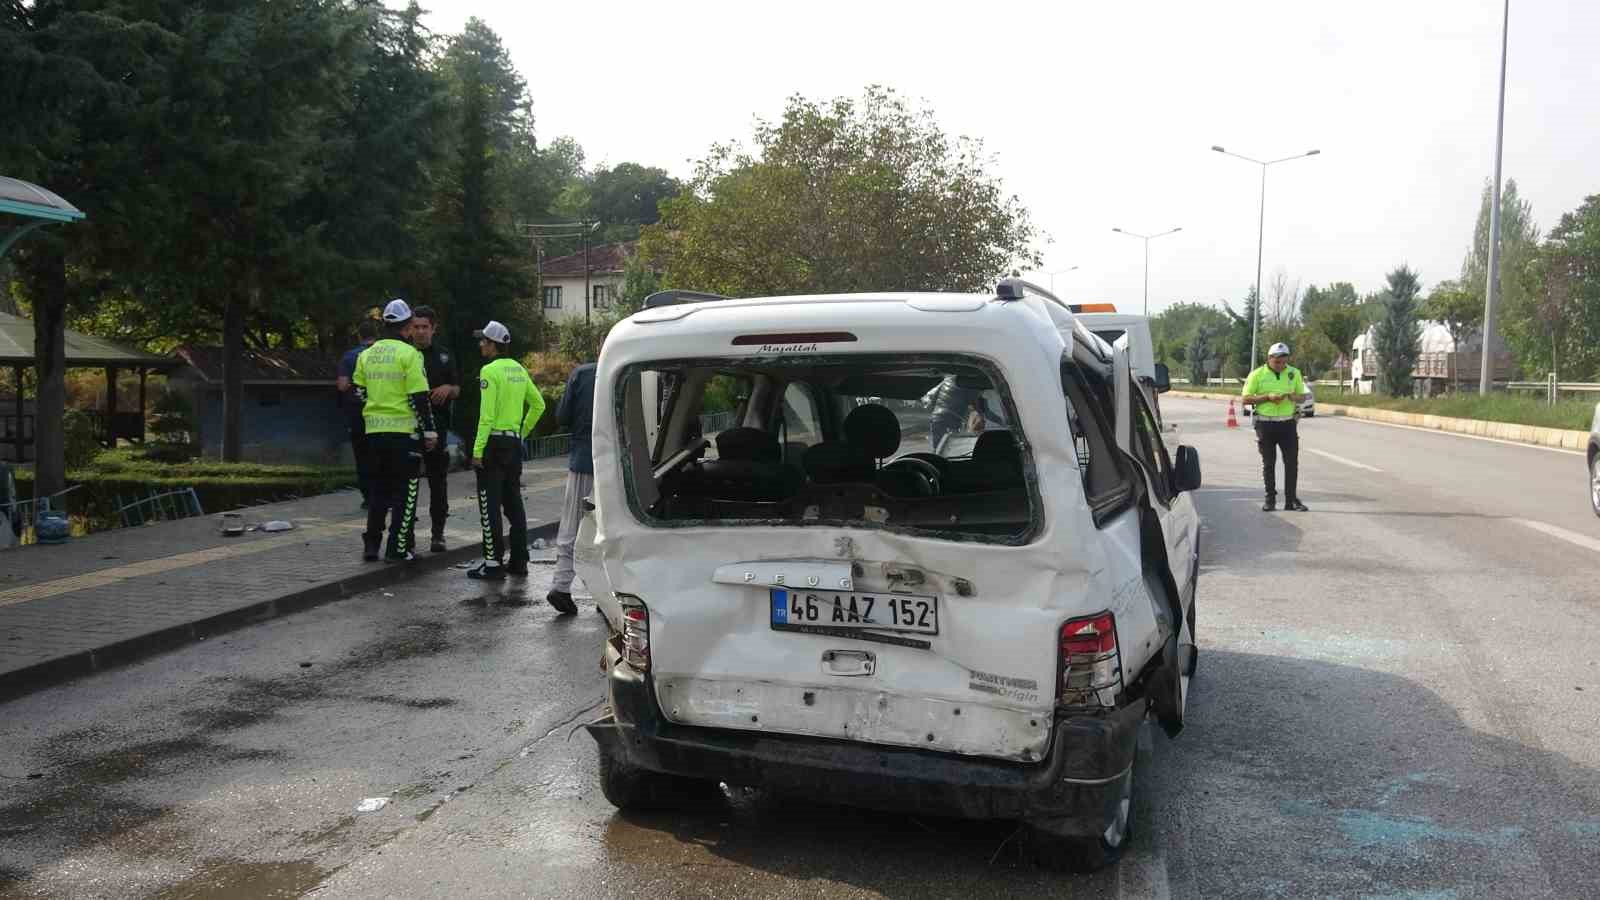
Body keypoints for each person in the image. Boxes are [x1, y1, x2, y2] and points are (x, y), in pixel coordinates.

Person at [353, 299, 437, 561]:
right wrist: (430, 432)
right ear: (407, 327)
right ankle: (397, 549)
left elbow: (359, 392)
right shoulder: (410, 355)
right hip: (403, 434)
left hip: (374, 433)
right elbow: (419, 398)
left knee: (378, 490)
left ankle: (371, 545)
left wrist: (375, 410)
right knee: (405, 493)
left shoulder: (366, 355)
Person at [467, 320, 545, 581]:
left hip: (493, 445)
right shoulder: (519, 370)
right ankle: (520, 560)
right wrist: (521, 433)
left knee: (490, 505)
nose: (480, 345)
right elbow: (539, 405)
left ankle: (492, 563)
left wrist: (477, 450)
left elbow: (486, 416)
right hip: (513, 445)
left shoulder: (489, 371)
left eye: (483, 341)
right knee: (514, 504)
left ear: (493, 344)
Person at [405, 306, 460, 553]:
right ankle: (406, 536)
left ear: (433, 328)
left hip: (438, 428)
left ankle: (438, 534)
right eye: (415, 327)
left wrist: (448, 388)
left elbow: (458, 389)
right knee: (407, 485)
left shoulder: (444, 356)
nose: (419, 331)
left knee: (438, 484)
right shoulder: (404, 355)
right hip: (408, 428)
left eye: (424, 327)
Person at [545, 361, 595, 615]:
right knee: (610, 528)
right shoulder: (634, 370)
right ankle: (607, 594)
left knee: (572, 524)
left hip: (584, 460)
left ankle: (561, 586)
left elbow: (562, 417)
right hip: (618, 466)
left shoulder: (582, 374)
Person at [1241, 342, 1311, 512]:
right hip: (1265, 424)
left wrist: (1292, 396)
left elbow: (1302, 397)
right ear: (1269, 358)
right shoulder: (1257, 374)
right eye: (1277, 362)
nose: (1281, 365)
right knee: (1269, 463)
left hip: (1287, 424)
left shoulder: (1294, 373)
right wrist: (1268, 397)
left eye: (1283, 362)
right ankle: (1270, 500)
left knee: (1291, 463)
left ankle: (1291, 500)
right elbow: (1246, 399)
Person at [336, 318, 379, 508]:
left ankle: (369, 498)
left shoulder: (349, 357)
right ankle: (385, 495)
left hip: (357, 414)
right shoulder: (383, 354)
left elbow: (343, 385)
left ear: (359, 336)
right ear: (376, 336)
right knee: (382, 456)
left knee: (362, 457)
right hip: (382, 414)